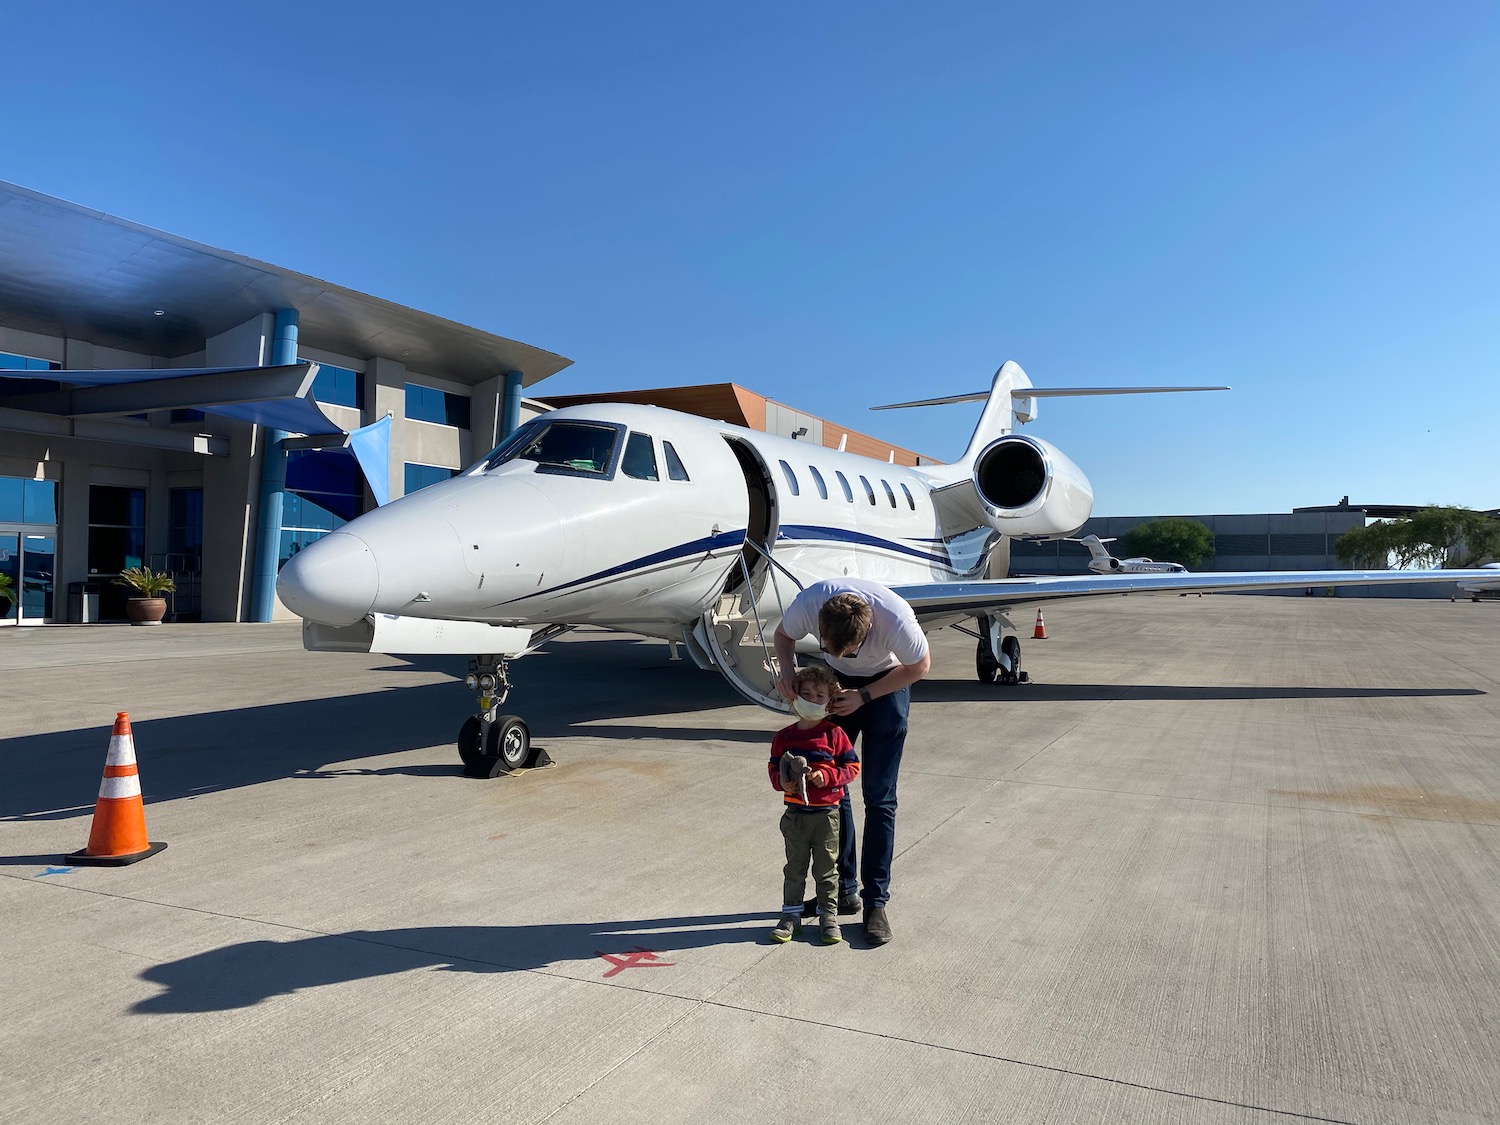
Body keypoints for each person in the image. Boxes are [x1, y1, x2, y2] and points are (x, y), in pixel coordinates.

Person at [772, 578, 931, 946]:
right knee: (831, 787)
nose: (837, 651)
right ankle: (844, 891)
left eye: (848, 649)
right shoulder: (811, 603)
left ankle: (876, 902)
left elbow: (920, 665)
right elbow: (783, 636)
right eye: (828, 646)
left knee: (879, 797)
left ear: (869, 630)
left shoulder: (897, 621)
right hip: (837, 683)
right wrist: (786, 672)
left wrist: (865, 695)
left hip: (887, 682)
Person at [766, 663, 861, 945]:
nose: (812, 699)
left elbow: (852, 767)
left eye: (820, 696)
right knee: (794, 867)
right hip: (796, 814)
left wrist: (828, 776)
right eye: (806, 693)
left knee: (826, 869)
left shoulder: (834, 735)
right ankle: (791, 916)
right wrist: (782, 783)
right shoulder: (784, 737)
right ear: (794, 696)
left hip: (827, 815)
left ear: (829, 703)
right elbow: (774, 767)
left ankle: (828, 916)